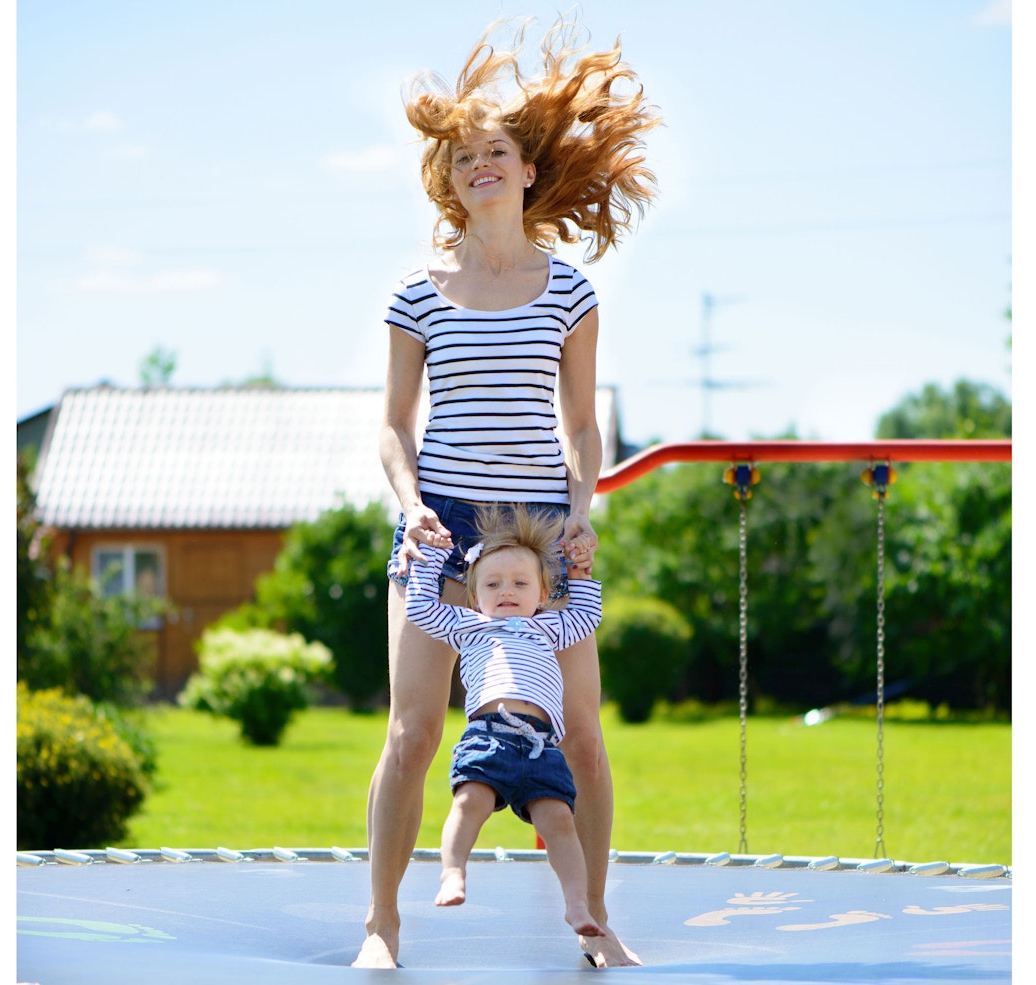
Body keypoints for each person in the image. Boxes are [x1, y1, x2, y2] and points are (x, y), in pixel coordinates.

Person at [355, 16, 659, 970]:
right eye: (463, 156)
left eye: (495, 151)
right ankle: (381, 925)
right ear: (448, 179)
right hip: (442, 526)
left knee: (581, 734)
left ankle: (598, 924)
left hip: (538, 530)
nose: (479, 164)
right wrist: (411, 505)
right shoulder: (417, 288)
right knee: (413, 733)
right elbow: (395, 424)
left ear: (527, 172)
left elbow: (582, 422)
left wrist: (583, 509)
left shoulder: (570, 291)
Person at [405, 505, 604, 938]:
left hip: (542, 747)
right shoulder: (468, 625)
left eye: (520, 583)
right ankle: (452, 871)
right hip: (487, 738)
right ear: (476, 597)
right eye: (493, 584)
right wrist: (434, 557)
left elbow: (588, 616)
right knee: (469, 803)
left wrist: (581, 573)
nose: (506, 591)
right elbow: (420, 609)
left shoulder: (551, 627)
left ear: (543, 593)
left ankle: (576, 904)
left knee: (560, 823)